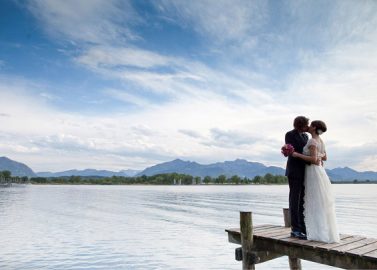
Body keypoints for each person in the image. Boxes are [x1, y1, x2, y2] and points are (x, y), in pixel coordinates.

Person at [292, 120, 340, 243]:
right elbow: (325, 157)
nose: (308, 126)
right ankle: (324, 231)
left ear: (313, 128)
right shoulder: (320, 140)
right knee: (320, 200)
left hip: (313, 171)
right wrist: (318, 156)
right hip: (319, 171)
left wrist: (297, 154)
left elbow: (313, 160)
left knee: (314, 200)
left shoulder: (312, 141)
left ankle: (318, 233)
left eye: (310, 125)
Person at [285, 116, 310, 240]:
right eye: (306, 124)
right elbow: (290, 151)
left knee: (302, 201)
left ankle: (303, 227)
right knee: (294, 200)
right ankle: (295, 229)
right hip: (294, 171)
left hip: (305, 171)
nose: (308, 126)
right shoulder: (290, 134)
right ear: (301, 124)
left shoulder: (306, 137)